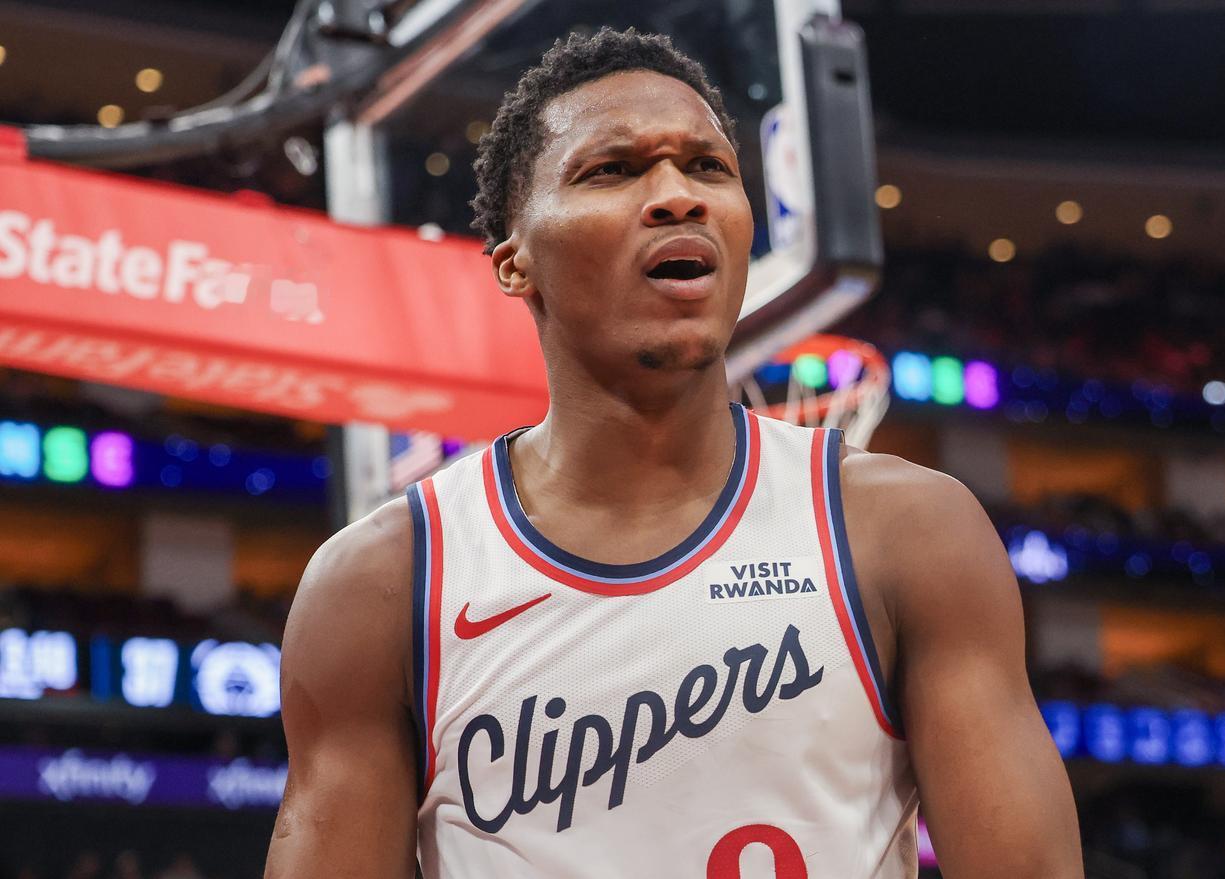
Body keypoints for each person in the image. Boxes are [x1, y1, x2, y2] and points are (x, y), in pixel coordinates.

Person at [264, 27, 1083, 879]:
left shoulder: (906, 529)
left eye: (707, 167)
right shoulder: (381, 584)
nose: (677, 196)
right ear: (514, 263)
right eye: (612, 170)